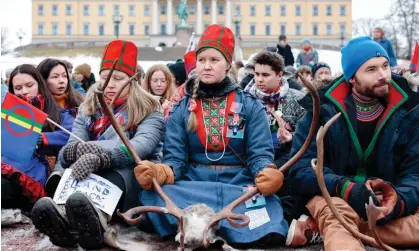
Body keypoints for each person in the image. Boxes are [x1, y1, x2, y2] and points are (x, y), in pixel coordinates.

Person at [135, 24, 288, 248]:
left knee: (267, 205)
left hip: (238, 186)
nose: (206, 66)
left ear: (227, 64)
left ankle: (194, 227)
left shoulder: (250, 105)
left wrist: (266, 172)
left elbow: (259, 154)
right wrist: (161, 172)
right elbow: (175, 159)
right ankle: (220, 230)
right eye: (202, 60)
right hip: (192, 184)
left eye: (214, 60)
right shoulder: (182, 108)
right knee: (155, 195)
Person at [286, 37, 419, 249]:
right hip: (335, 196)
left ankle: (327, 229)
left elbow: (415, 173)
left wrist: (398, 200)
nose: (383, 75)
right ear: (351, 78)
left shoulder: (410, 110)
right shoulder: (320, 110)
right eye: (371, 70)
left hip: (386, 196)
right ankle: (342, 227)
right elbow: (300, 170)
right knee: (337, 214)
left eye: (385, 66)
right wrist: (345, 187)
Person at [30, 40, 165, 249]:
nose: (109, 84)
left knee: (122, 169)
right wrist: (74, 152)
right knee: (71, 165)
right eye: (104, 78)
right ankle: (64, 217)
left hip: (129, 175)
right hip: (87, 169)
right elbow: (73, 142)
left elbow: (140, 146)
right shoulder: (89, 107)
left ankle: (96, 217)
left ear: (133, 80)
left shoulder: (150, 109)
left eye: (118, 79)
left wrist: (100, 156)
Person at [2, 64, 72, 210]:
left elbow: (71, 134)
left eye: (29, 85)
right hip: (9, 168)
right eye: (18, 88)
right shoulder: (9, 114)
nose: (25, 91)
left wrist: (44, 138)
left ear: (39, 84)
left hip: (40, 176)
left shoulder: (58, 112)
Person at [245, 51, 305, 168]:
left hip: (290, 165)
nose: (259, 79)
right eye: (257, 74)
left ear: (279, 75)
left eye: (265, 75)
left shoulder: (299, 100)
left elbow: (308, 137)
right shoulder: (245, 100)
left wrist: (291, 138)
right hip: (250, 163)